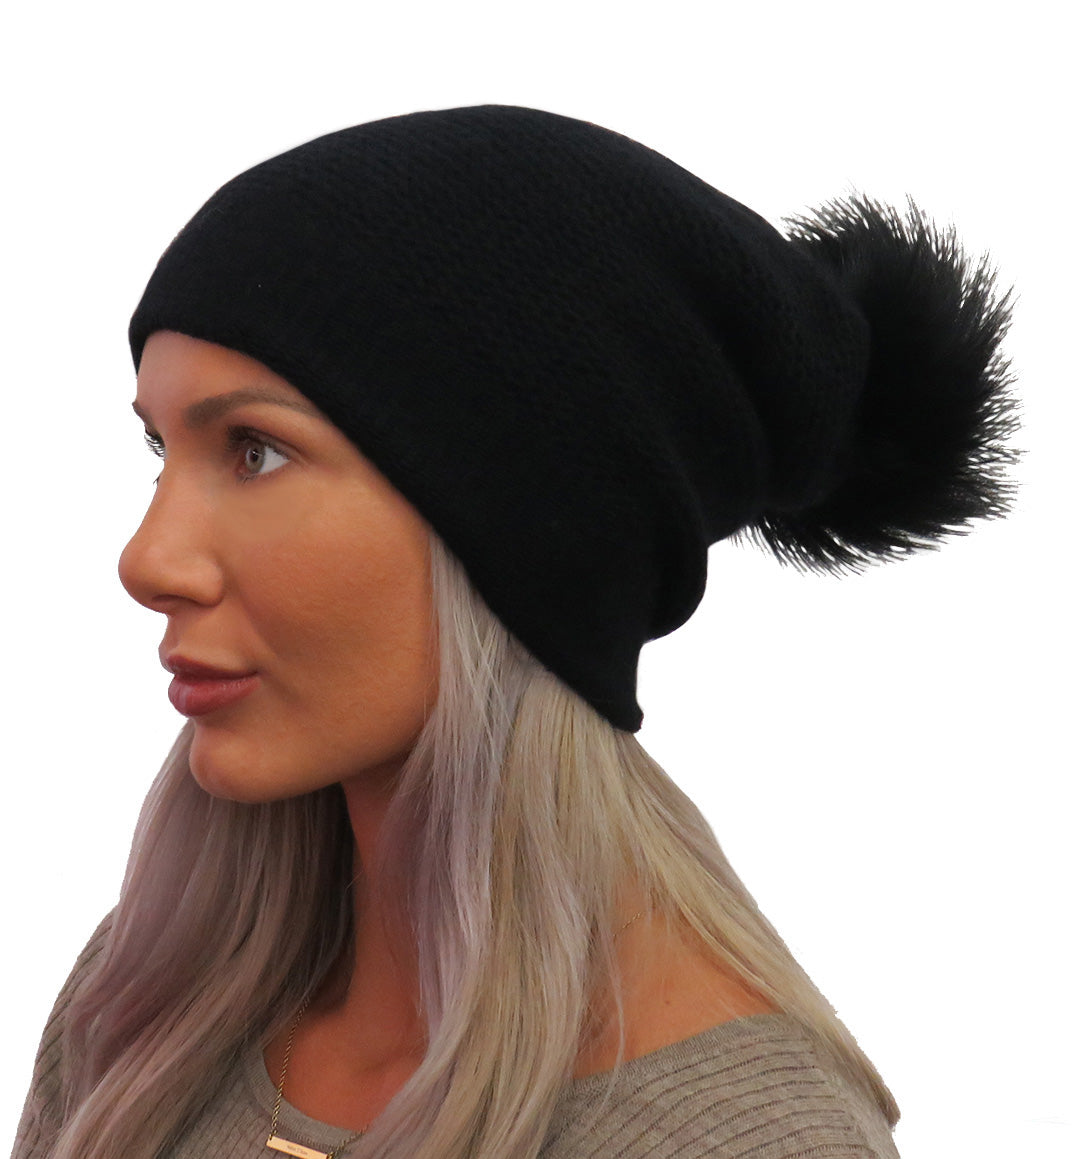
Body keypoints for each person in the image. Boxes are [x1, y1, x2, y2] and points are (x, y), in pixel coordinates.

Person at [12, 104, 1018, 1159]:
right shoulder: (143, 1005)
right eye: (161, 450)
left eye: (255, 450)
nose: (147, 560)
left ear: (531, 534)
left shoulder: (737, 1142)